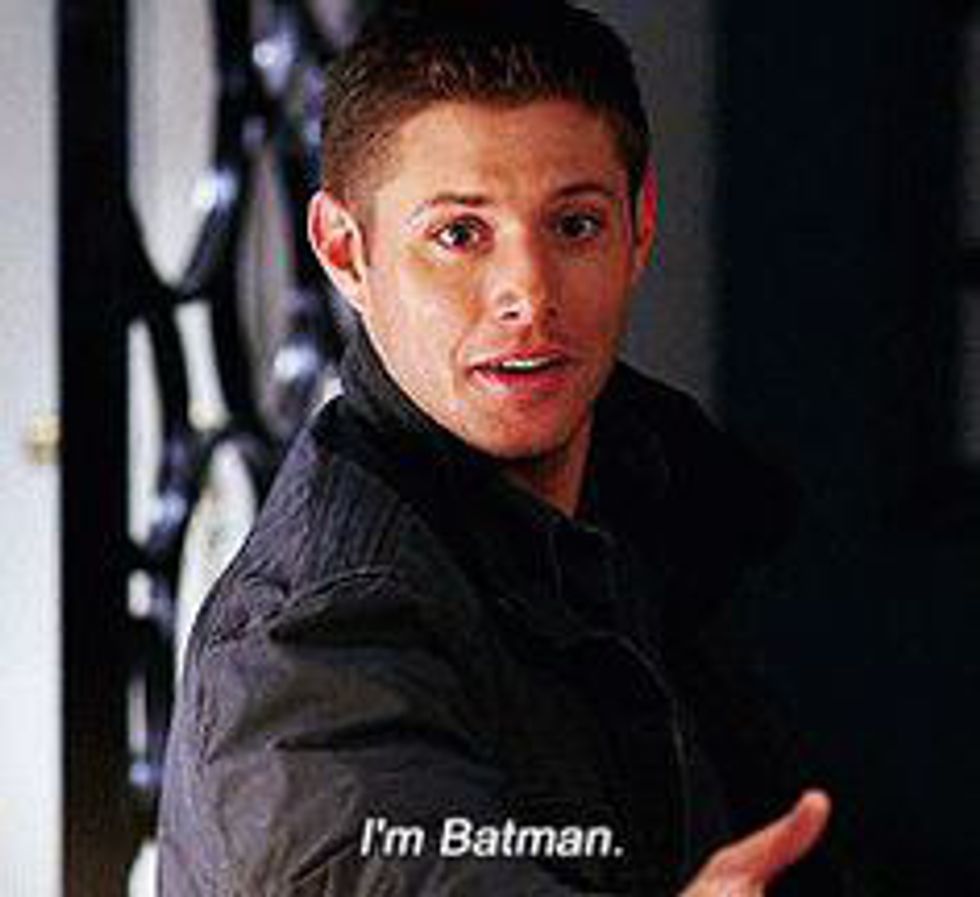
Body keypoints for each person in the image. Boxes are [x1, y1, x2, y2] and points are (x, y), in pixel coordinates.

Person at [157, 1, 846, 893]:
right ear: (345, 251)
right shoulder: (314, 637)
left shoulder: (666, 484)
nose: (529, 292)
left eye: (575, 225)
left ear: (639, 228)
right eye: (459, 234)